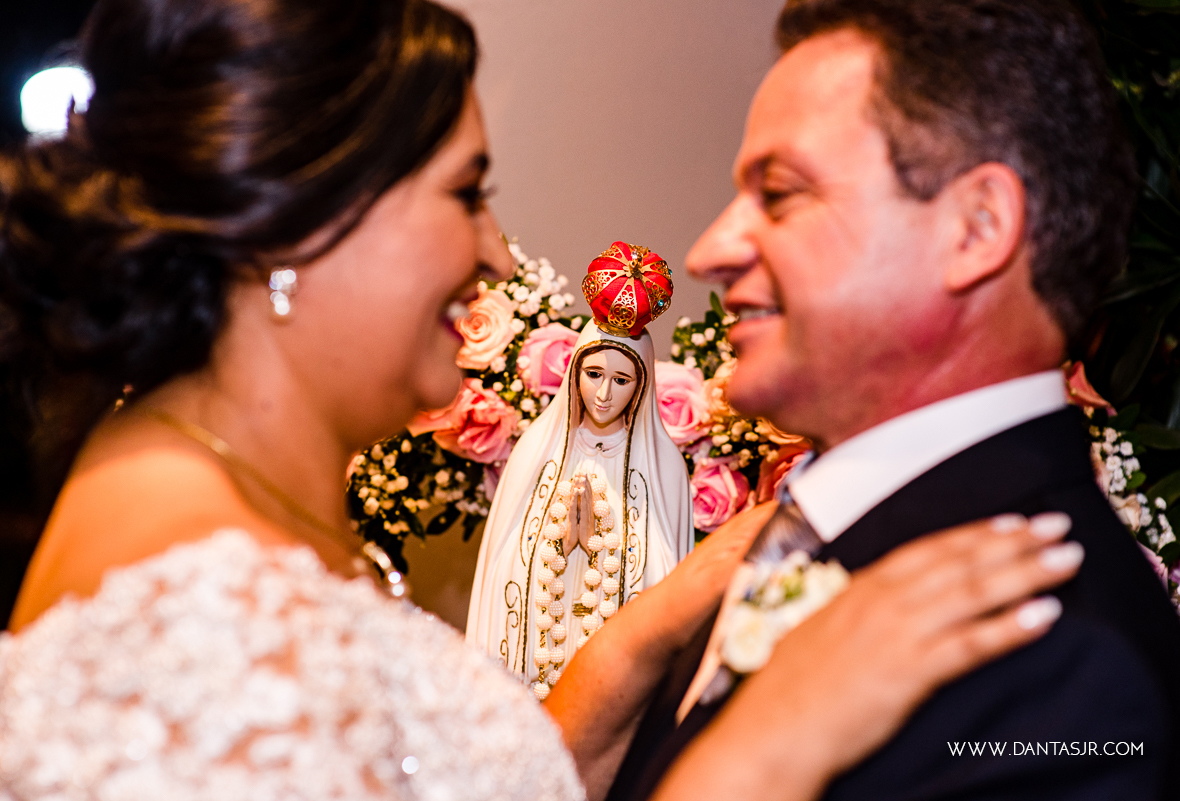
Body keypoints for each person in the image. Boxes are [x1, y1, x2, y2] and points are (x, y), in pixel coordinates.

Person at [0, 0, 1084, 798]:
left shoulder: (209, 488)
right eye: (467, 193)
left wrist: (643, 629)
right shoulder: (210, 606)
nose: (491, 252)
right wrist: (772, 752)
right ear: (300, 225)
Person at [607, 2, 1180, 801]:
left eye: (779, 193)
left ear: (975, 227)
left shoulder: (1055, 658)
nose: (709, 249)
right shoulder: (812, 538)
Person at [466, 290, 694, 695]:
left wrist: (600, 548)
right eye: (594, 374)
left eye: (621, 380)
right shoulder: (538, 449)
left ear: (641, 385)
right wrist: (559, 544)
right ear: (574, 373)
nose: (604, 394)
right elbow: (503, 571)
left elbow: (669, 593)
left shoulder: (663, 466)